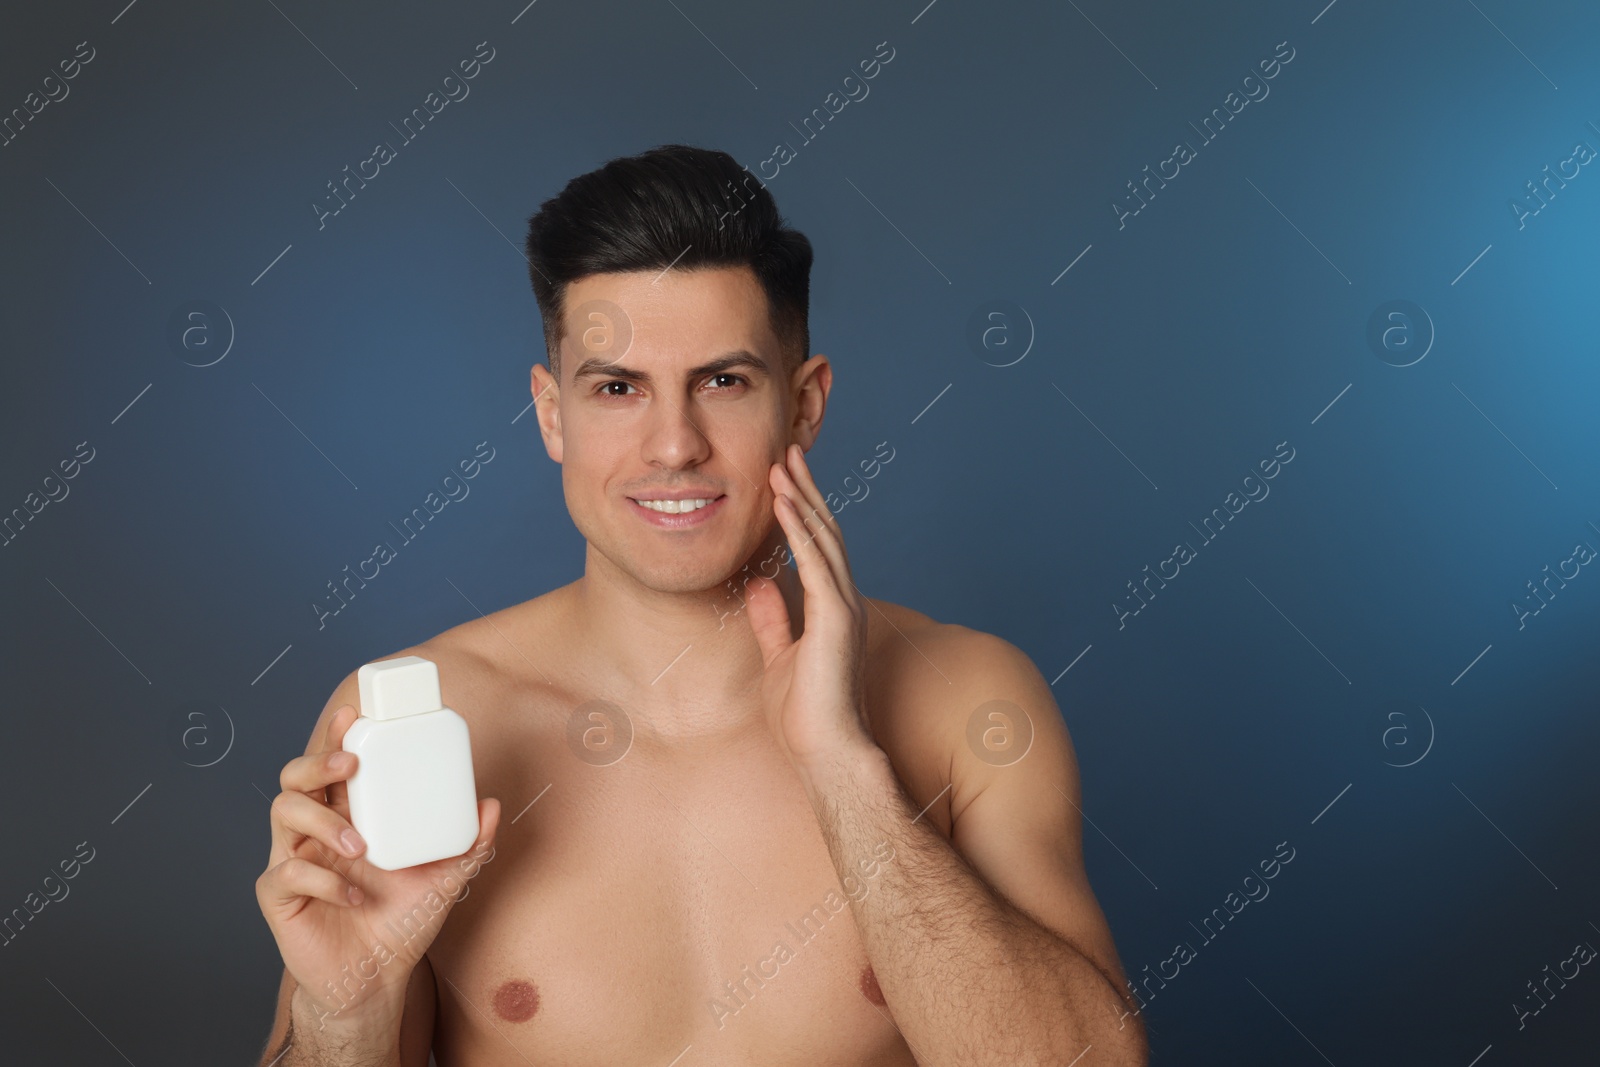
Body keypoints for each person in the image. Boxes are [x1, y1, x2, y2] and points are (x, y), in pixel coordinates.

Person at [254, 143, 1148, 1066]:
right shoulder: (417, 720)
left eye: (723, 381)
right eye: (616, 388)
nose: (674, 445)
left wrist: (844, 768)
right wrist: (345, 1017)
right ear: (551, 412)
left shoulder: (968, 701)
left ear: (804, 404)